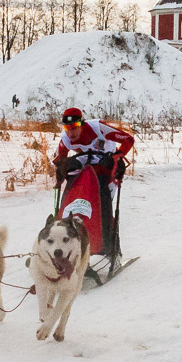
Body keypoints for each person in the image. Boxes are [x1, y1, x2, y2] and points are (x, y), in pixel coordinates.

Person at [53, 106, 134, 253]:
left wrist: (117, 157)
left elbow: (128, 140)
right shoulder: (65, 139)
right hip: (85, 170)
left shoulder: (98, 128)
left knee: (103, 206)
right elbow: (60, 159)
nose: (71, 131)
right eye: (66, 127)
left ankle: (110, 248)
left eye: (75, 126)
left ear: (82, 124)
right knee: (72, 203)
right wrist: (61, 170)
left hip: (106, 170)